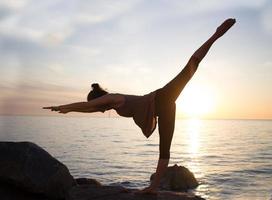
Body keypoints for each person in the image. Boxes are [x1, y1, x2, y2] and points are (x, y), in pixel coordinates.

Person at [44, 18, 236, 194]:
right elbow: (89, 108)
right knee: (164, 150)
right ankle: (153, 188)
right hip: (165, 107)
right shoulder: (111, 104)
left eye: (96, 104)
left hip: (161, 98)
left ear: (99, 98)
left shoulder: (113, 97)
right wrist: (67, 109)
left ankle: (217, 34)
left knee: (191, 65)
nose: (98, 109)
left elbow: (89, 106)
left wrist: (65, 106)